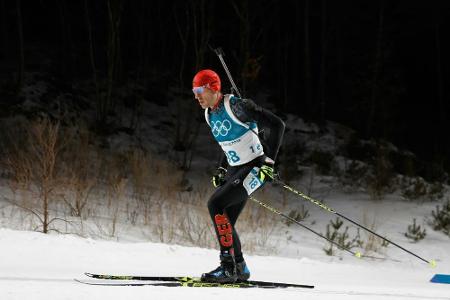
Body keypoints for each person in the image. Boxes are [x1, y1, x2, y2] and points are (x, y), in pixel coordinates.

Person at [192, 69, 285, 283]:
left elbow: (278, 125)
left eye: (199, 90)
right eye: (194, 91)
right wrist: (222, 168)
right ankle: (239, 267)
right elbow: (228, 143)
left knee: (215, 204)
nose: (196, 96)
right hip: (236, 169)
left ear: (212, 87)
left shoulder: (237, 106)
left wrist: (269, 163)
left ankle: (227, 268)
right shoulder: (209, 114)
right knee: (225, 220)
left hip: (255, 167)